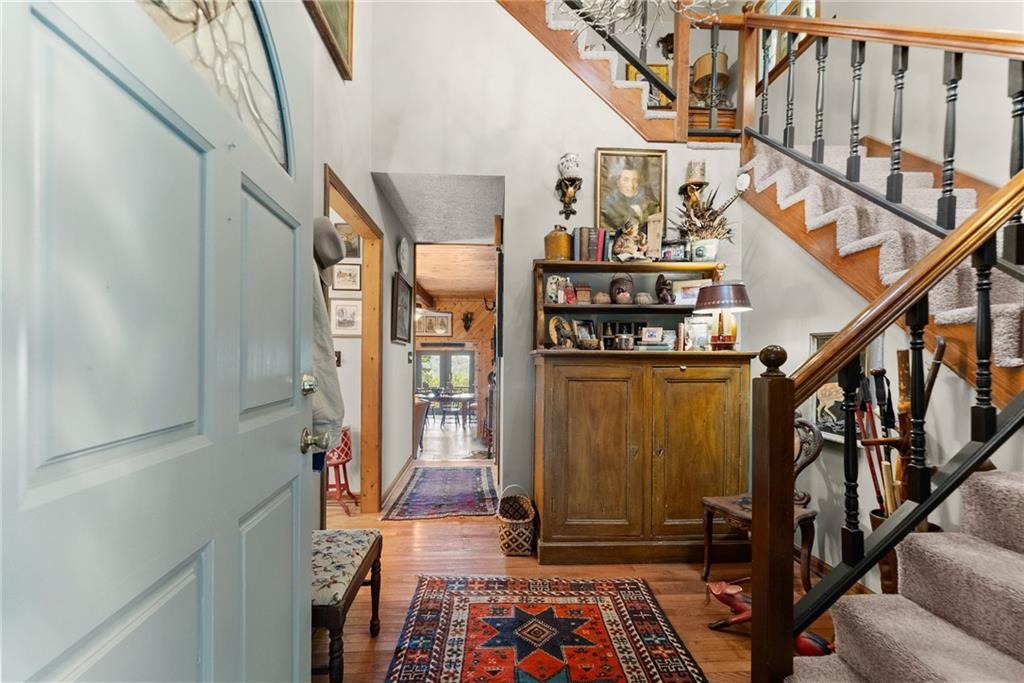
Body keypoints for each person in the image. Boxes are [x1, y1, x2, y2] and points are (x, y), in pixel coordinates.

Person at [600, 159, 660, 232]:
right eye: (626, 180)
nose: (631, 185)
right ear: (618, 182)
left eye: (635, 180)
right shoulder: (608, 204)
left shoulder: (649, 203)